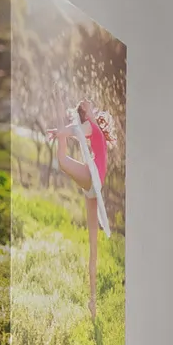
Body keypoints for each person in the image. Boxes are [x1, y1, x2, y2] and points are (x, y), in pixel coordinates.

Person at [47, 101, 112, 319]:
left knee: (95, 248)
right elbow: (77, 130)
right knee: (64, 161)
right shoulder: (90, 127)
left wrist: (61, 132)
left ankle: (93, 302)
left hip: (93, 181)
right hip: (93, 179)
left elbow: (75, 132)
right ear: (87, 112)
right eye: (89, 106)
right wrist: (62, 132)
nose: (92, 106)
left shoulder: (93, 129)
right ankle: (92, 302)